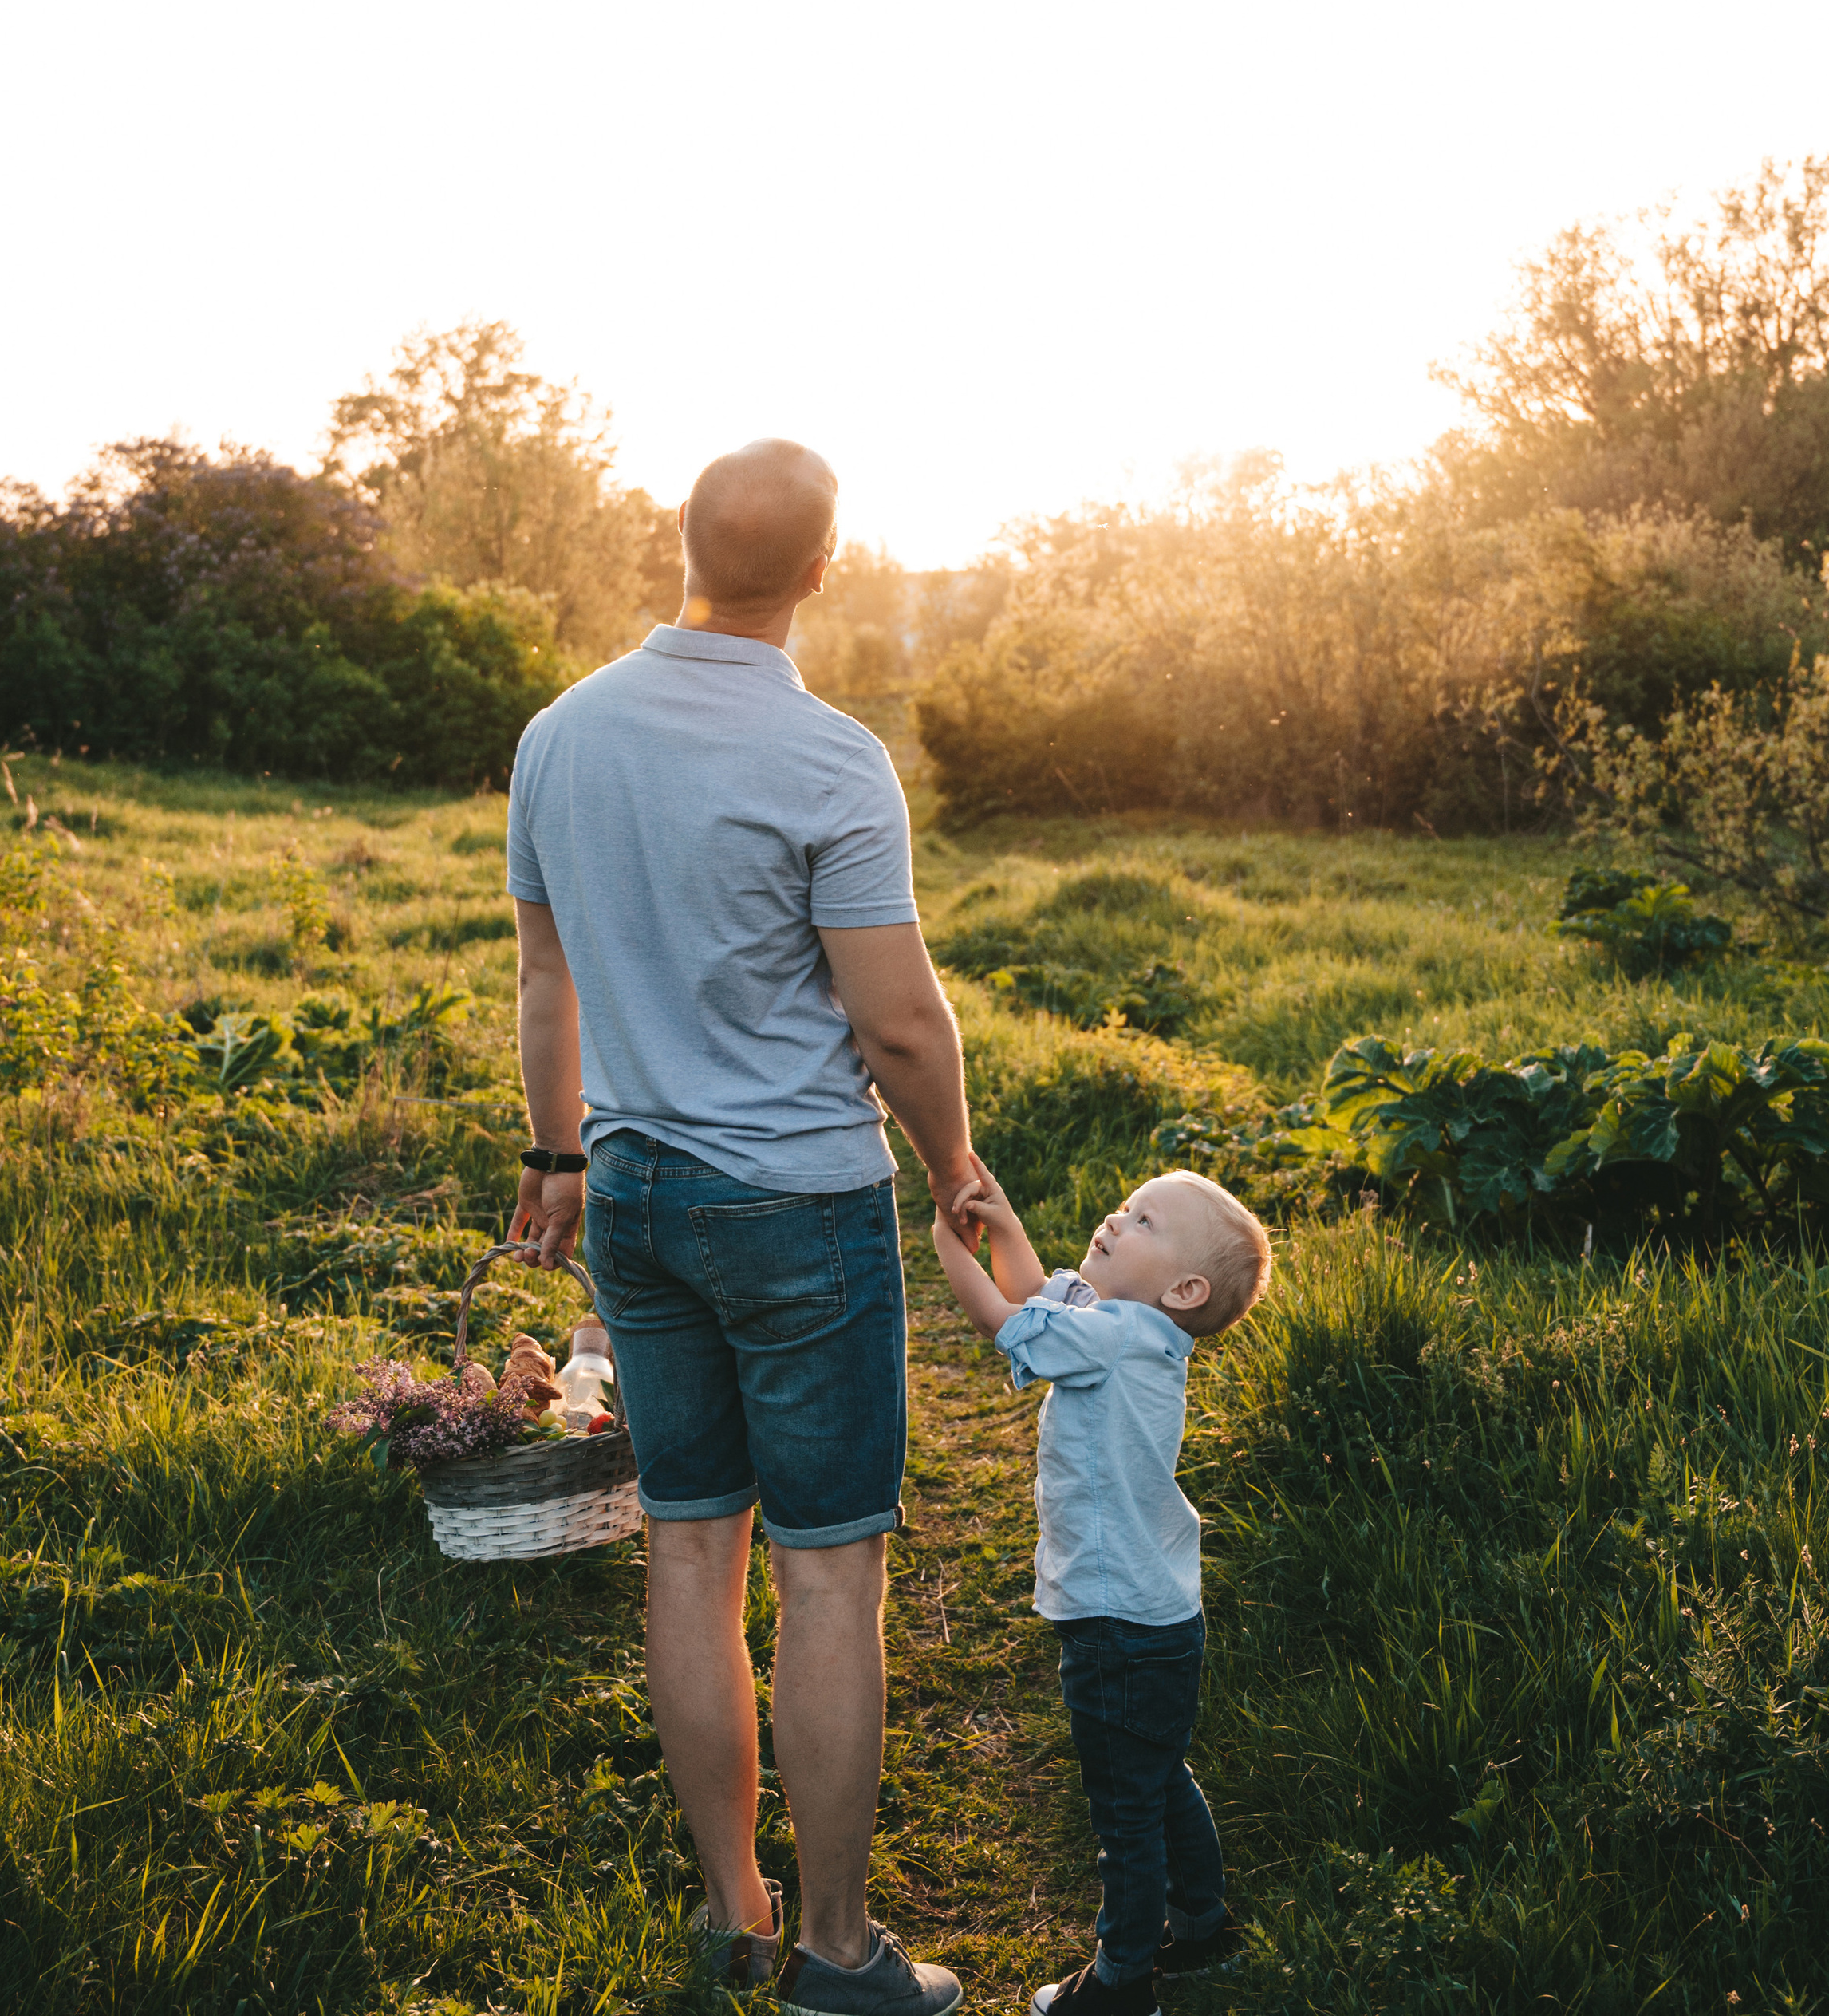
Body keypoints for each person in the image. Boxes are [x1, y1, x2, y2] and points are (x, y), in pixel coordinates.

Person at [504, 437, 979, 2014]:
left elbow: (545, 976)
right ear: (826, 569)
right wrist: (956, 1161)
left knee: (687, 1547)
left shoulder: (560, 737)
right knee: (829, 1575)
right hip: (795, 1205)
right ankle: (840, 1958)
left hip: (634, 1196)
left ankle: (734, 1913)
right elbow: (898, 1025)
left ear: (675, 542)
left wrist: (555, 1156)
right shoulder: (827, 758)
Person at [932, 1163, 1269, 2016]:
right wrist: (1004, 1224)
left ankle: (1121, 1982)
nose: (1117, 1220)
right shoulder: (1128, 1327)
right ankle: (1201, 1922)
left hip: (1113, 1620)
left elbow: (1002, 1319)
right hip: (1158, 1613)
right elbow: (1042, 1294)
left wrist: (947, 1243)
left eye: (1145, 1221)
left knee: (1124, 1812)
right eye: (1125, 1206)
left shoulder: (1115, 1337)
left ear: (1184, 1286)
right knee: (1156, 1777)